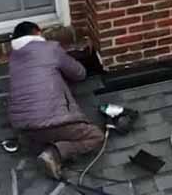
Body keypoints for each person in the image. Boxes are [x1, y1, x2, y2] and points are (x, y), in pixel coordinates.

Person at [6, 22, 104, 180]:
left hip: (25, 129)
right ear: (37, 33)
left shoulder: (13, 59)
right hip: (54, 121)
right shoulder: (50, 49)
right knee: (96, 136)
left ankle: (43, 146)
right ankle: (54, 153)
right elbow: (79, 73)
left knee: (42, 137)